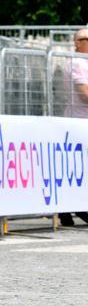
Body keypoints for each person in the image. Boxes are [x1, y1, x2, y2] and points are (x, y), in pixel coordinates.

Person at [60, 29, 88, 226]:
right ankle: (73, 209)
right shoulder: (78, 62)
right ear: (77, 43)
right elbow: (85, 93)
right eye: (86, 39)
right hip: (80, 122)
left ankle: (67, 210)